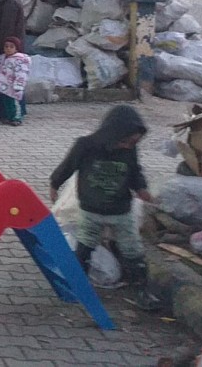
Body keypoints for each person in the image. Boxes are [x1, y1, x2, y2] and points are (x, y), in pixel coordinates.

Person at [50, 105, 162, 310]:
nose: (128, 146)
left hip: (121, 210)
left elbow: (135, 172)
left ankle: (142, 290)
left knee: (133, 250)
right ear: (111, 134)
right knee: (85, 246)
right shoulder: (85, 146)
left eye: (133, 143)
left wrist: (142, 189)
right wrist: (54, 184)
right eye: (125, 141)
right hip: (90, 209)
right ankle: (79, 286)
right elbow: (68, 166)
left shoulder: (130, 152)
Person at [0, 37, 30, 126]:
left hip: (14, 86)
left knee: (15, 103)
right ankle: (10, 117)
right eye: (6, 46)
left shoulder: (19, 60)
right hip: (5, 86)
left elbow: (21, 73)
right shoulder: (4, 59)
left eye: (11, 47)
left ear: (16, 48)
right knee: (7, 103)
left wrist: (19, 85)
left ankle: (17, 118)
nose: (8, 49)